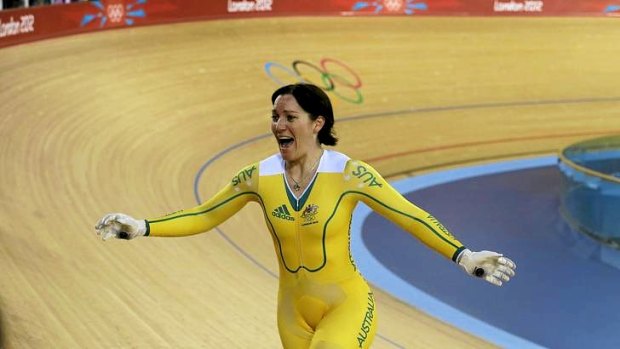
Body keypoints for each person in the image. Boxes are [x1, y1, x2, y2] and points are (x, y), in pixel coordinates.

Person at [95, 83, 516, 348]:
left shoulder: (350, 173)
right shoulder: (258, 176)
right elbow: (205, 215)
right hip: (291, 311)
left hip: (345, 305)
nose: (279, 124)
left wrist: (464, 255)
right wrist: (142, 226)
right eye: (275, 116)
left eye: (289, 117)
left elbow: (410, 216)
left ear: (317, 124)